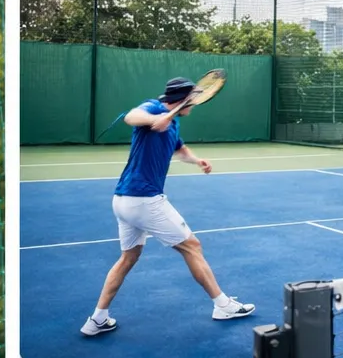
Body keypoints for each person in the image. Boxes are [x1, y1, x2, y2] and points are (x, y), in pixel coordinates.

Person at [79, 76, 254, 338]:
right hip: (144, 199)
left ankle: (98, 319)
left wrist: (197, 161)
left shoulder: (174, 122)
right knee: (192, 246)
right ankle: (223, 305)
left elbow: (179, 150)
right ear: (183, 100)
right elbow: (131, 116)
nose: (195, 104)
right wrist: (154, 120)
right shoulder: (154, 108)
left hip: (123, 200)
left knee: (128, 258)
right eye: (193, 99)